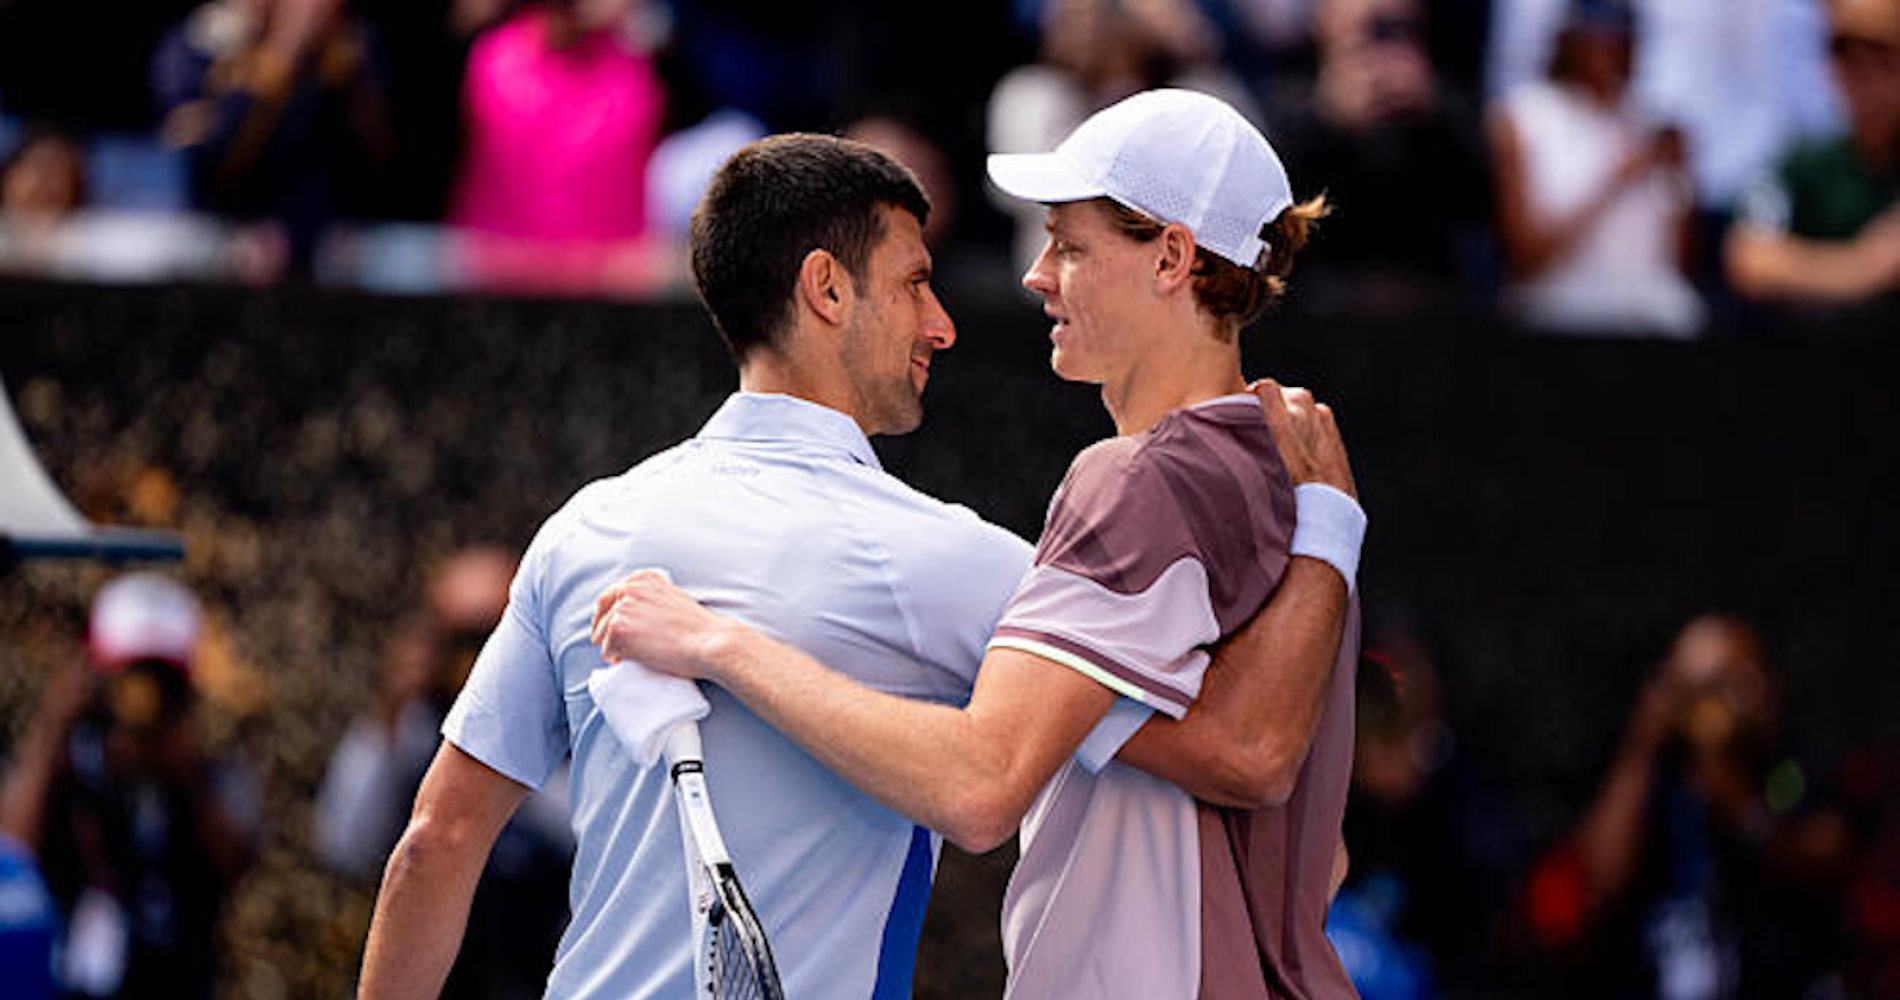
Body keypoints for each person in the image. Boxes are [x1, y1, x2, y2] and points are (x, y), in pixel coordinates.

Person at [358, 125, 1355, 1000]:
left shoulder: (585, 528)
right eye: (917, 284)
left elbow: (435, 842)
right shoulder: (956, 562)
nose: (946, 322)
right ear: (825, 290)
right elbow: (1241, 756)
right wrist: (1325, 534)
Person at [1520, 614, 1861, 999]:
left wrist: (1743, 809)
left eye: (1730, 685)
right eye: (1696, 690)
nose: (1714, 706)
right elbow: (1592, 882)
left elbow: (1830, 858)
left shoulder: (1789, 768)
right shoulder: (1650, 778)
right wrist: (1642, 747)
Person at [0, 573, 258, 1000]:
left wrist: (186, 778)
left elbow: (236, 863)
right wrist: (52, 728)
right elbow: (10, 858)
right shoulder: (64, 763)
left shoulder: (207, 771)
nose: (141, 701)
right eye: (127, 679)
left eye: (160, 684)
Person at [1486, 0, 1705, 336]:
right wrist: (1614, 179)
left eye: (1623, 38)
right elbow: (1525, 256)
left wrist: (1682, 178)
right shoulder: (1525, 118)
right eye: (1599, 37)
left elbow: (1680, 264)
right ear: (1570, 40)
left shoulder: (1653, 125)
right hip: (1556, 317)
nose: (1611, 50)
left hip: (1644, 320)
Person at [1725, 0, 1900, 306]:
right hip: (1815, 347)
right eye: (1851, 64)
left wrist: (1802, 264)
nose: (1865, 82)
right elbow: (1749, 257)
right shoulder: (1805, 164)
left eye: (1880, 63)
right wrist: (1859, 267)